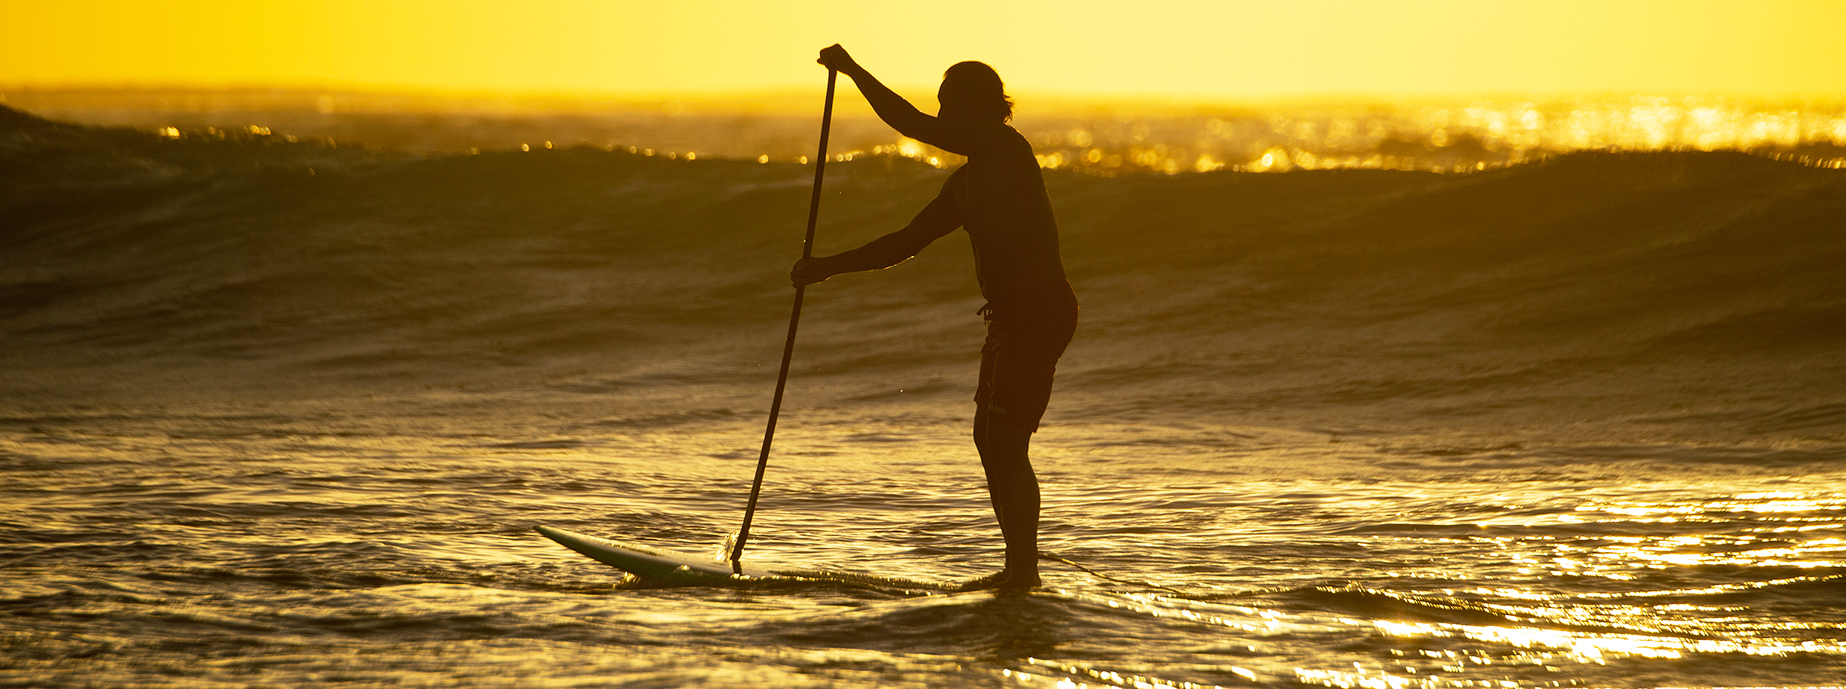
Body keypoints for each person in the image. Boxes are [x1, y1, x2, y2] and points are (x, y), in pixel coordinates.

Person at [792, 45, 1078, 590]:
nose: (942, 114)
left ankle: (1025, 573)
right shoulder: (965, 185)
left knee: (1004, 440)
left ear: (983, 108)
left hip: (1040, 309)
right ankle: (1017, 567)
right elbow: (905, 242)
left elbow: (910, 123)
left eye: (950, 104)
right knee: (986, 436)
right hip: (1007, 317)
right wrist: (825, 267)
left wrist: (854, 71)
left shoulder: (1005, 146)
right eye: (941, 104)